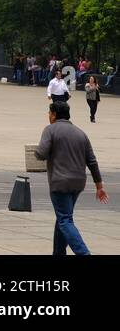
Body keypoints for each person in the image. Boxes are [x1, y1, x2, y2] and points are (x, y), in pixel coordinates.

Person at [34, 102, 108, 255]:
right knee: (63, 217)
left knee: (65, 220)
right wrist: (99, 186)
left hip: (60, 182)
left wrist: (36, 152)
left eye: (49, 113)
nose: (48, 116)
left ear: (54, 115)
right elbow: (92, 161)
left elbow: (41, 153)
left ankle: (83, 253)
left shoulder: (50, 130)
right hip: (78, 183)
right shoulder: (80, 133)